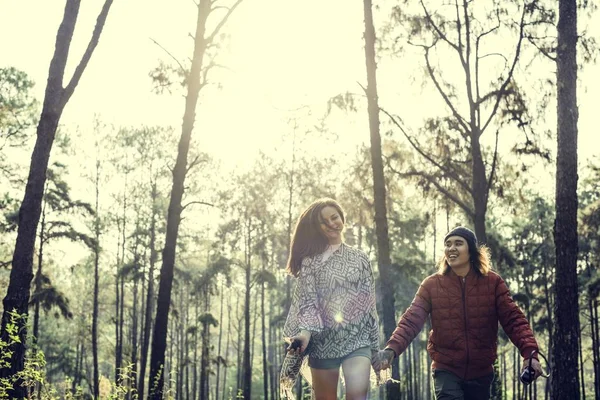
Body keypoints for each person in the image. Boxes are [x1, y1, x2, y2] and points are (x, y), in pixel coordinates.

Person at [372, 226, 543, 400]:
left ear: (471, 250)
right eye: (448, 244)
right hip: (446, 369)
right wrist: (391, 350)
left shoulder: (493, 283)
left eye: (458, 243)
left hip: (481, 372)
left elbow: (514, 320)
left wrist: (530, 354)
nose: (451, 248)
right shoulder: (431, 285)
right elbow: (411, 321)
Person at [281, 198, 380, 400]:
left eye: (334, 217)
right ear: (317, 228)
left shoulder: (360, 258)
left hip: (357, 339)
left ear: (341, 217)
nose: (331, 224)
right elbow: (308, 303)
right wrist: (305, 335)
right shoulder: (310, 262)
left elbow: (369, 306)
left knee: (358, 396)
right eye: (323, 222)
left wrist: (375, 347)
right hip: (322, 343)